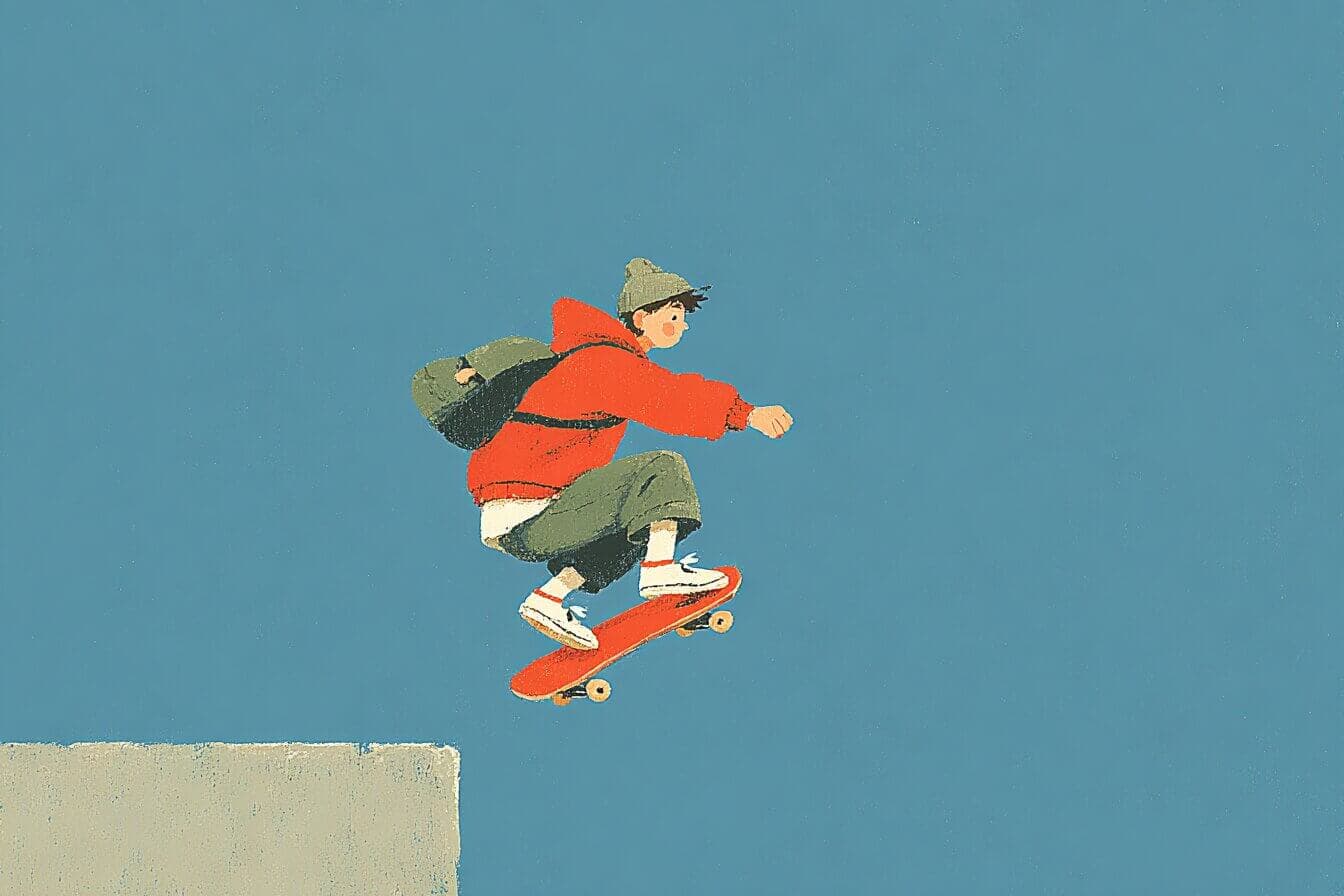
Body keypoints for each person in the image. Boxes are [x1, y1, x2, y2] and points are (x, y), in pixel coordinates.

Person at [460, 258, 793, 649]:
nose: (682, 325)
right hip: (531, 513)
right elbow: (670, 399)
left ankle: (549, 598)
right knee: (661, 467)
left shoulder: (595, 358)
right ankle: (660, 569)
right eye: (673, 315)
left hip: (523, 517)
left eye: (684, 316)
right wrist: (746, 413)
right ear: (641, 316)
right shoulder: (605, 361)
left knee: (634, 522)